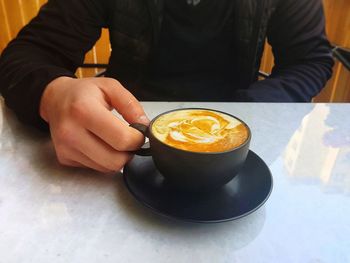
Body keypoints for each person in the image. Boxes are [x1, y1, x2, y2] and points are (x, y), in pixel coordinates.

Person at [0, 0, 334, 172]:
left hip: (242, 145)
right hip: (123, 138)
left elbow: (311, 60)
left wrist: (248, 110)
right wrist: (54, 94)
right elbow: (25, 56)